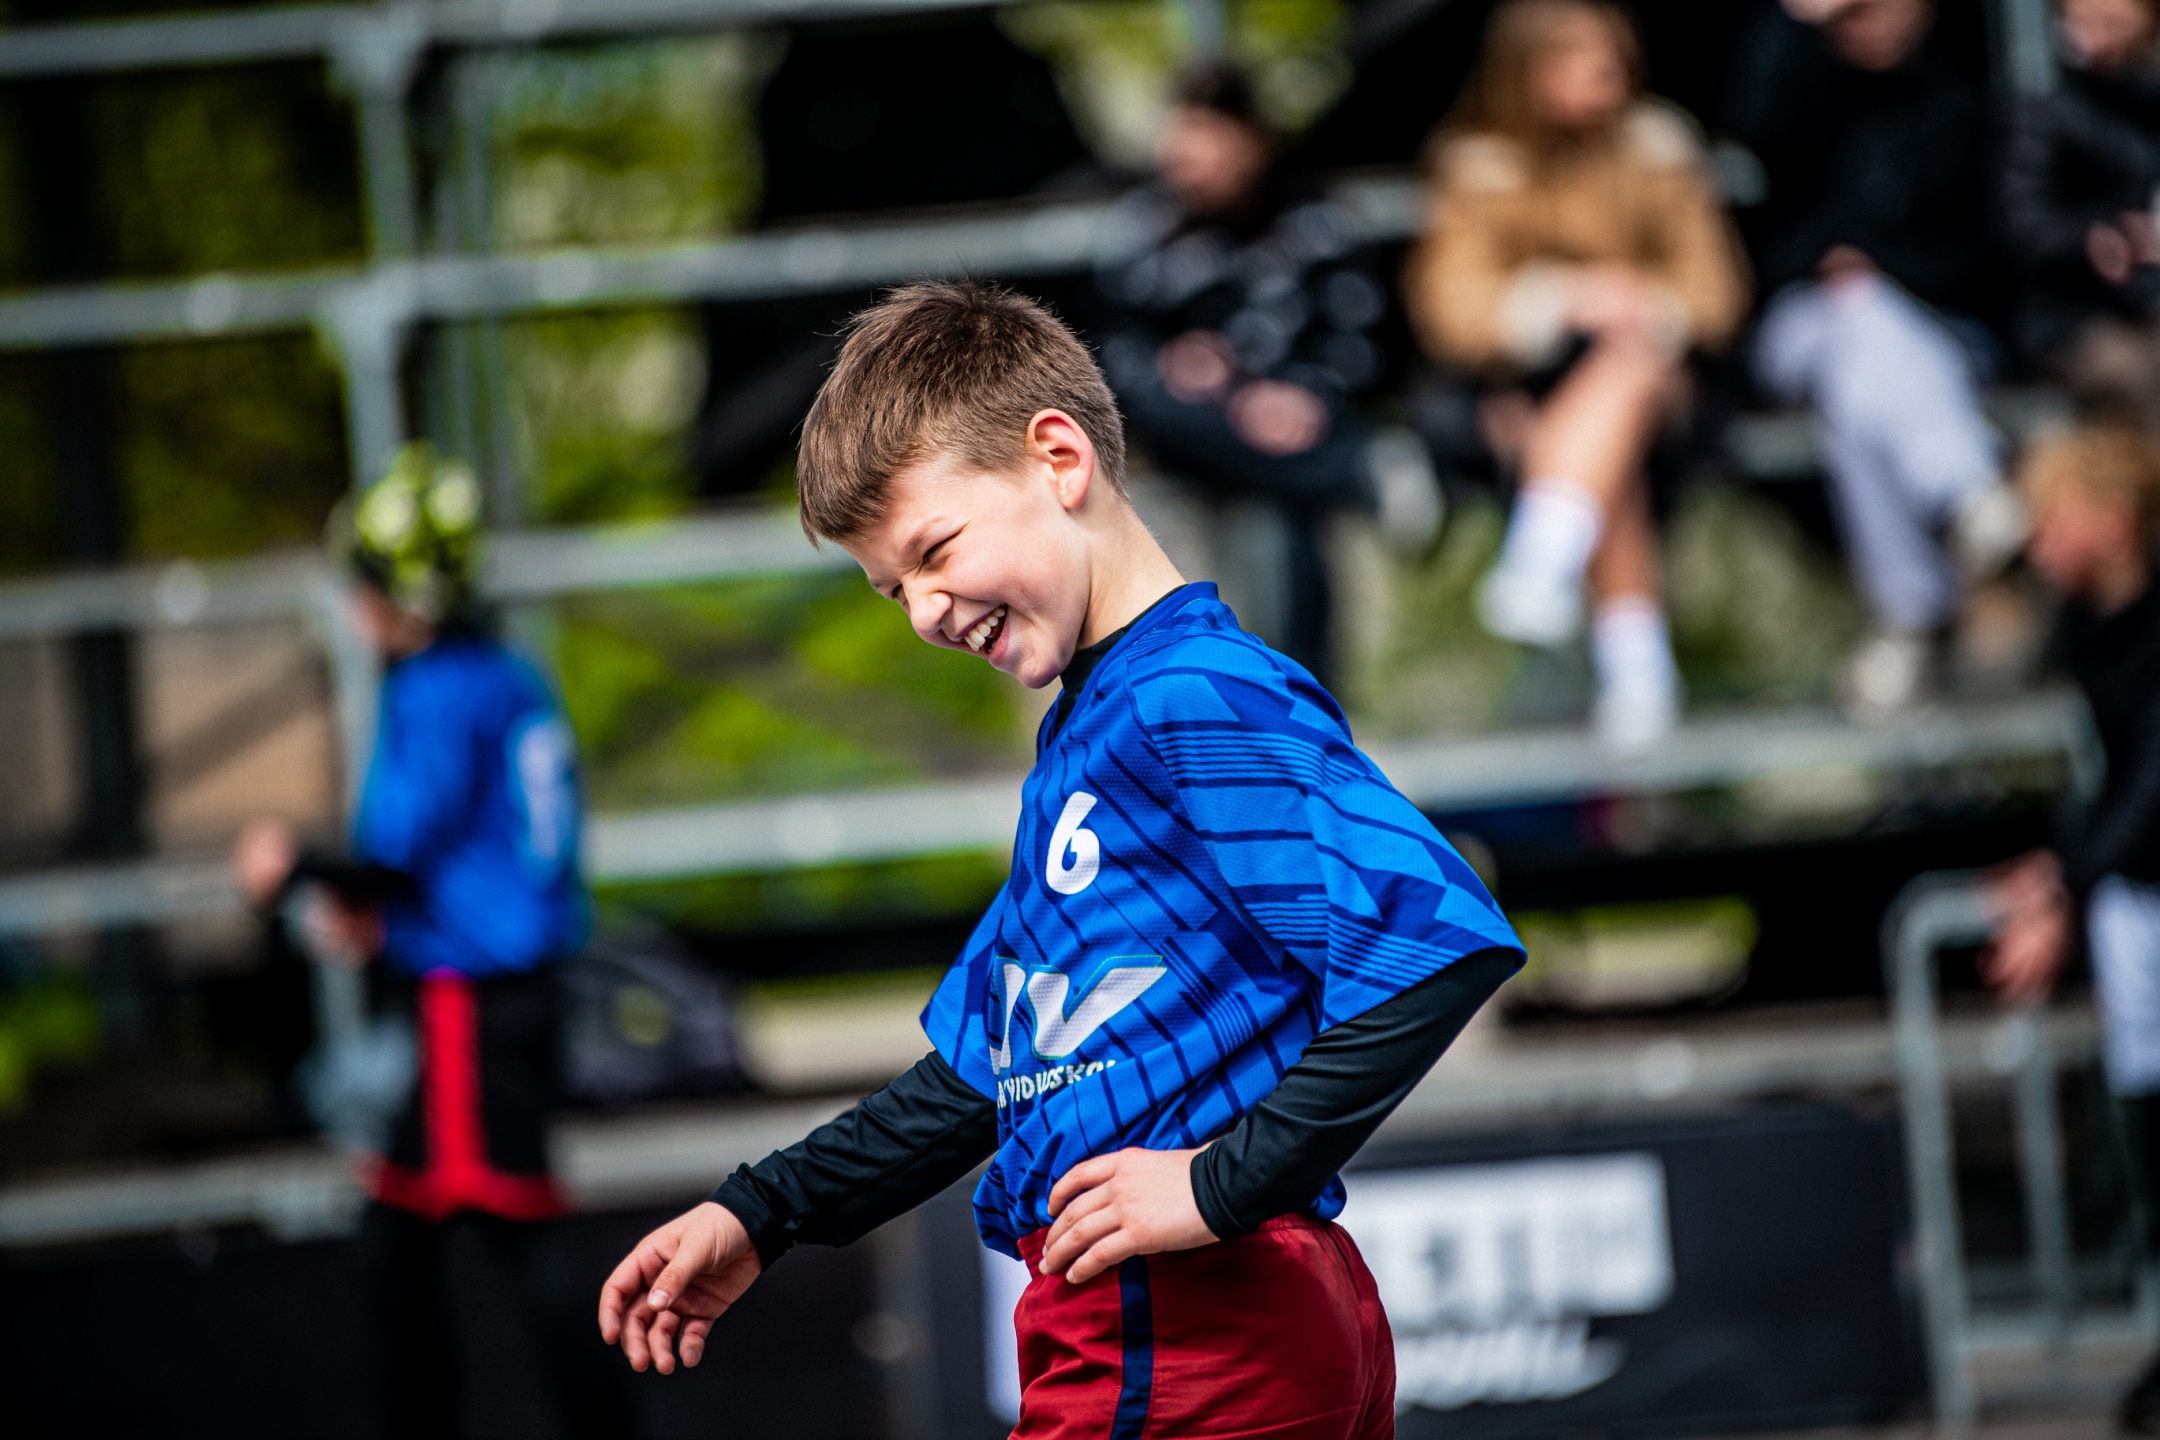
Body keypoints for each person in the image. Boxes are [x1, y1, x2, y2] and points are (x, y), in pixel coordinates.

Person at [595, 281, 1524, 1434]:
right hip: (1199, 1322)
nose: (923, 611)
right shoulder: (1092, 736)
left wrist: (1225, 1181)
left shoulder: (1191, 693)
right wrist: (762, 1210)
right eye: (892, 589)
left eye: (935, 550)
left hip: (1182, 1320)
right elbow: (984, 1072)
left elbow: (1437, 939)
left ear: (1059, 457)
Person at [232, 445, 604, 1439]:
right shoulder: (509, 675)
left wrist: (288, 864)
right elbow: (478, 847)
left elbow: (393, 856)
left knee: (517, 1238)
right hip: (504, 990)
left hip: (468, 1003)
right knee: (397, 1249)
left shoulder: (433, 690)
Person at [1403, 0, 1751, 748]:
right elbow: (1452, 310)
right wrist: (1567, 298)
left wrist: (1637, 301)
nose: (1605, 72)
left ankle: (1543, 560)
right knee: (1605, 461)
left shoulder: (1659, 151)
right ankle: (1637, 672)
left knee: (1628, 372)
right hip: (1527, 389)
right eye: (1576, 55)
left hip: (1664, 383)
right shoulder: (1476, 166)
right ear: (1525, 67)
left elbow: (1715, 293)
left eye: (1612, 54)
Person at [1729, 0, 2027, 715]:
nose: (1868, 18)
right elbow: (1752, 144)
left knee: (1862, 382)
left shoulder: (1964, 108)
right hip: (1803, 324)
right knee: (1858, 324)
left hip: (1930, 329)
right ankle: (1964, 490)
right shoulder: (1797, 93)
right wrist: (1801, 20)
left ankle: (1910, 615)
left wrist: (1882, 271)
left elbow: (1988, 260)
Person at [1096, 62, 1431, 689]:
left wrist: (1301, 397)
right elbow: (1111, 354)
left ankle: (1302, 695)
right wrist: (1199, 375)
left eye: (1207, 140)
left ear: (1251, 142)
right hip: (1193, 433)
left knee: (1287, 508)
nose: (1186, 160)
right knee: (1163, 406)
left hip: (1300, 423)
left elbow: (1361, 345)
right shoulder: (1146, 228)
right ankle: (1357, 471)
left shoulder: (1318, 223)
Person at [1982, 425, 2160, 1432]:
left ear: (2113, 520)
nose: (2042, 544)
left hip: (2138, 879)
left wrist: (2064, 884)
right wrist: (2061, 871)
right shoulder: (2090, 625)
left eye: (2057, 520)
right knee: (2147, 1129)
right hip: (2138, 899)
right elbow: (2113, 779)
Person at [2003, 0, 2160, 430]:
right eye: (2086, 22)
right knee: (2144, 373)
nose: (2099, 38)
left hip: (2145, 300)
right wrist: (2090, 241)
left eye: (2116, 24)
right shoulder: (2043, 111)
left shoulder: (2147, 105)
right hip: (2069, 318)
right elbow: (2021, 224)